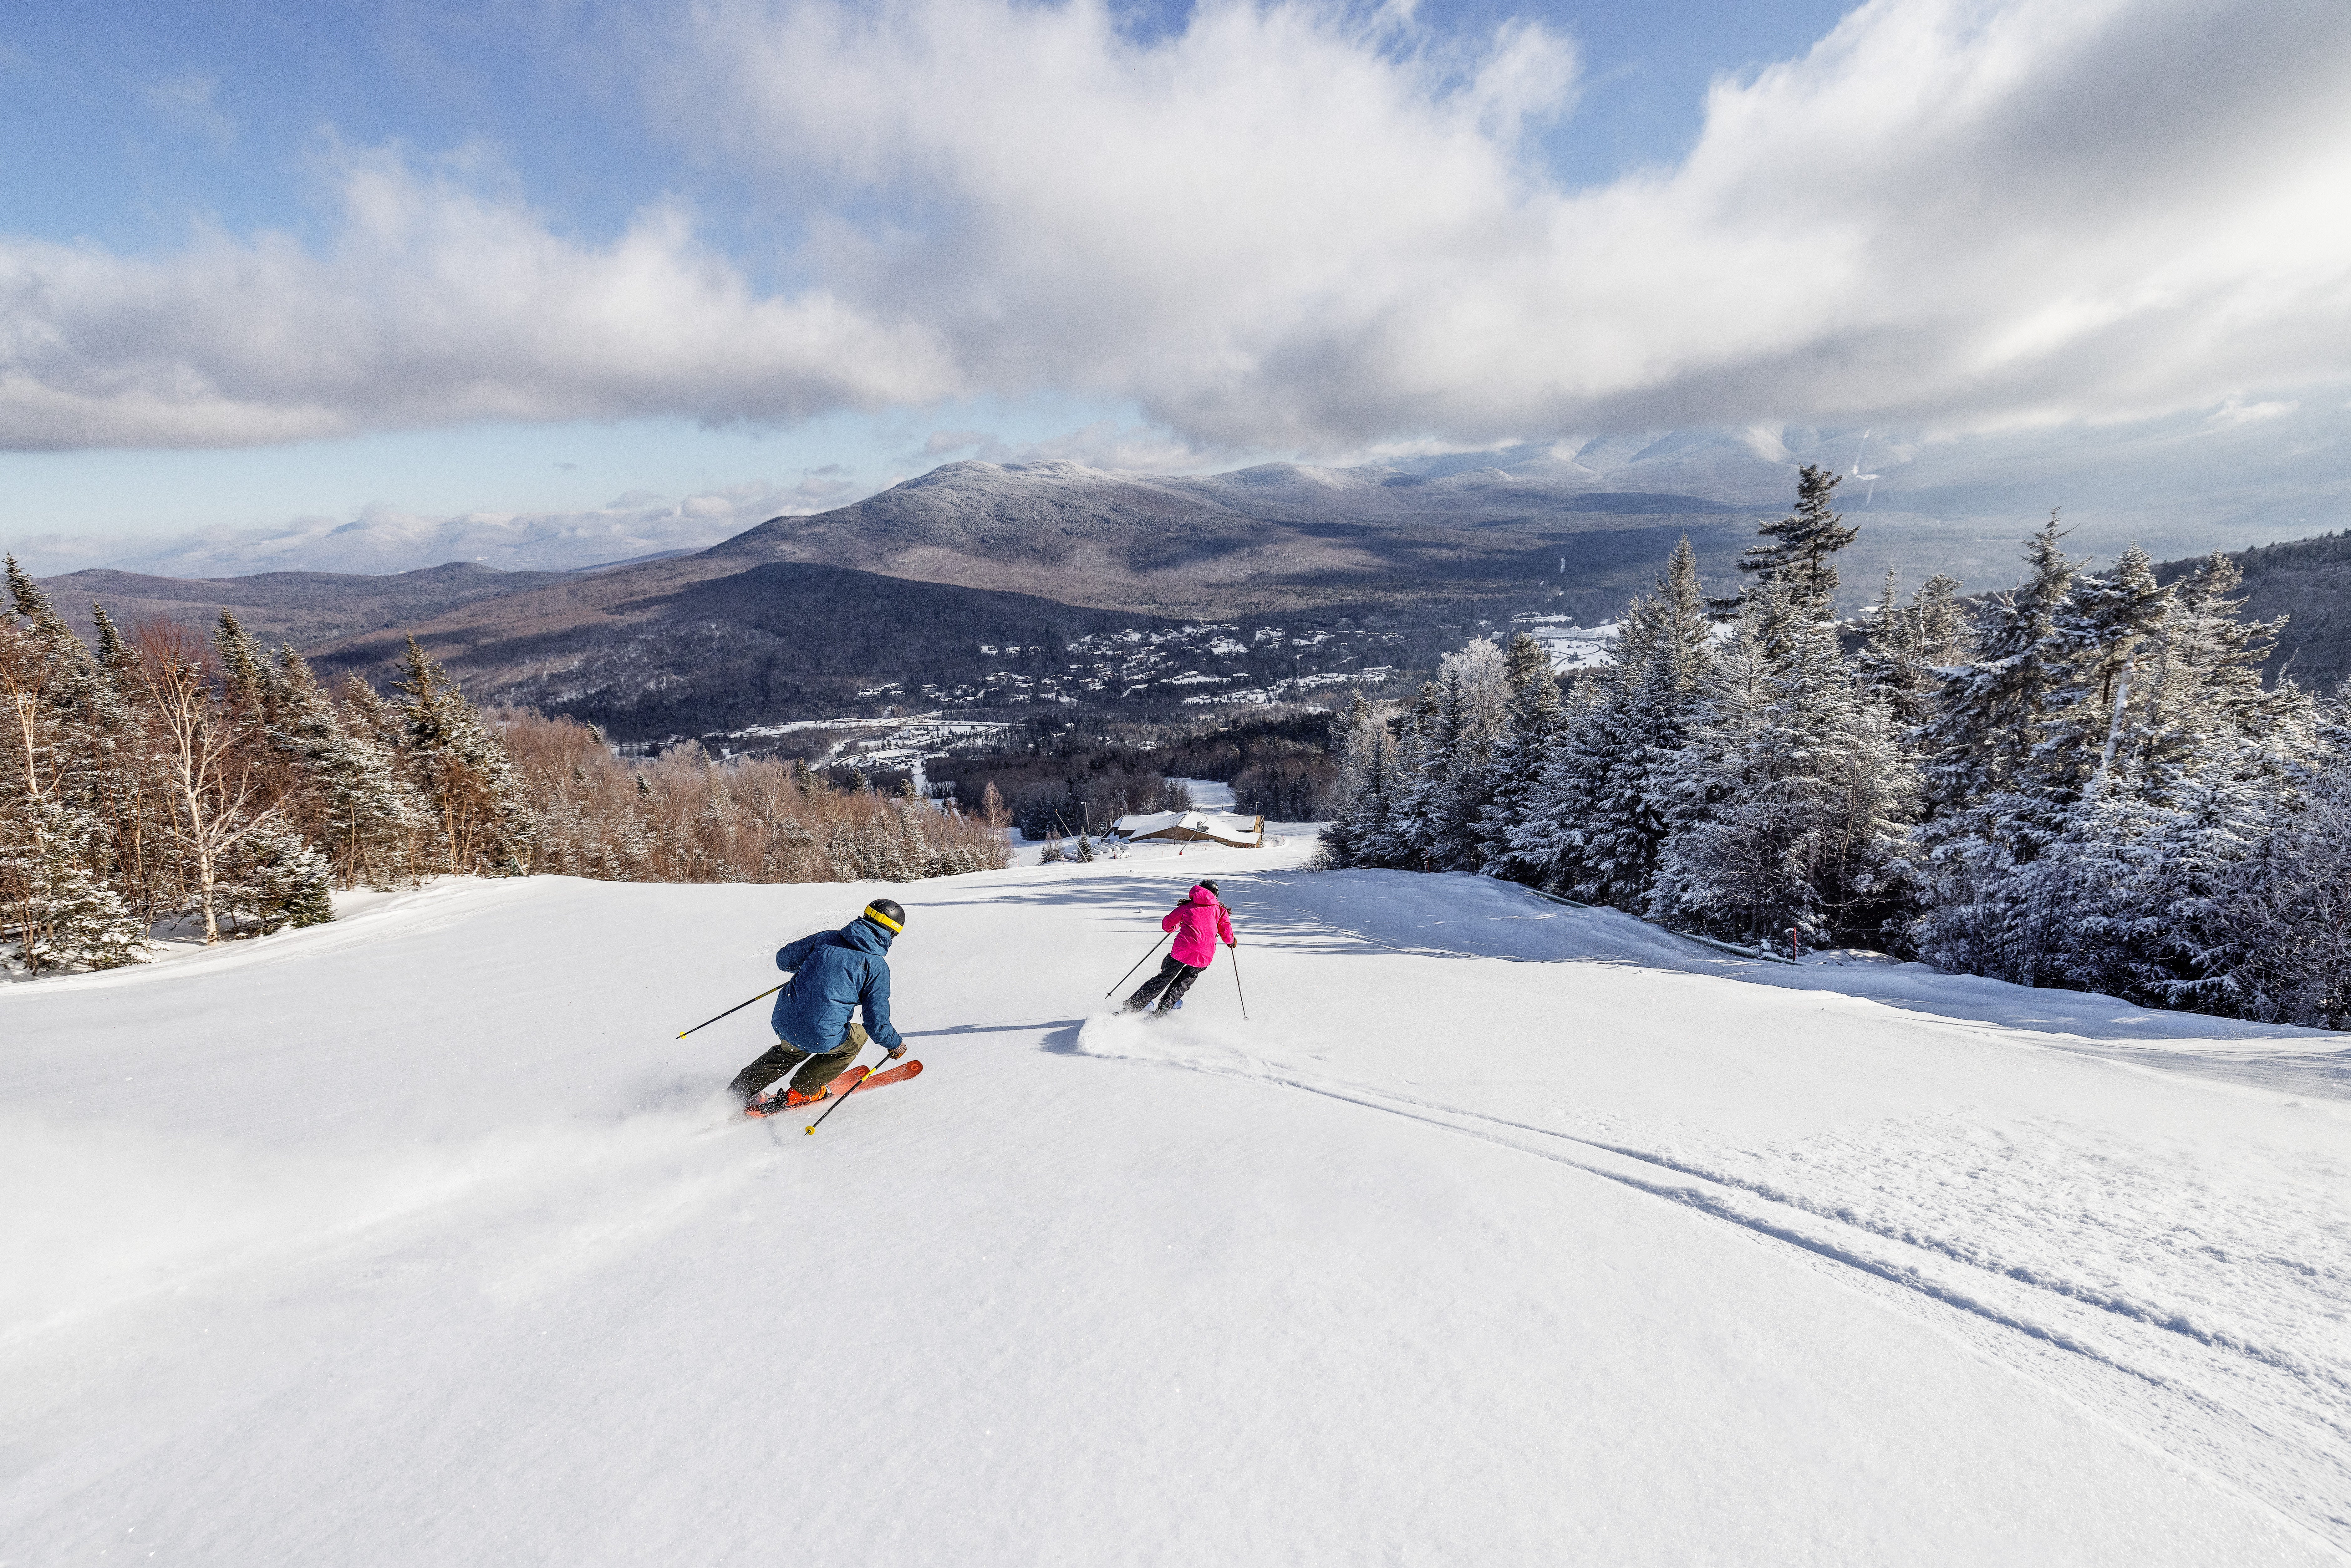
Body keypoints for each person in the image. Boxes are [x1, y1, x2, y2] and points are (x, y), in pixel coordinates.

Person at [728, 899, 908, 1110]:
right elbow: (876, 1022)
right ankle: (801, 1092)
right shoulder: (877, 967)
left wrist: (811, 969)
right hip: (821, 1031)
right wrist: (894, 1044)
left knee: (792, 1050)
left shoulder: (827, 938)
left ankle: (737, 1093)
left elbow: (784, 960)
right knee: (858, 1038)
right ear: (893, 933)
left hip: (784, 1019)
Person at [1125, 880, 1236, 1015]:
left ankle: (1133, 1006)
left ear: (1198, 891)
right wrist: (1231, 942)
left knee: (1164, 978)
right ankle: (1161, 1012)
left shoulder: (1188, 907)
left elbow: (1168, 924)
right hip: (1204, 956)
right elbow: (1227, 933)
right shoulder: (1220, 911)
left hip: (1182, 950)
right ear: (1215, 895)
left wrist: (1175, 927)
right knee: (1181, 984)